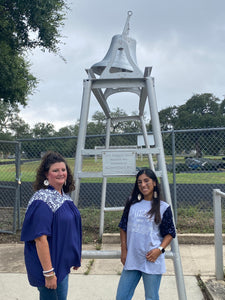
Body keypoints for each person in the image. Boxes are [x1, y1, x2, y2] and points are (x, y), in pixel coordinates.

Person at [21, 151, 82, 300]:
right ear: (46, 175)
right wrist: (48, 273)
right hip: (49, 269)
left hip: (62, 266)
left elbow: (69, 230)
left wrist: (74, 256)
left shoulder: (64, 197)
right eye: (55, 170)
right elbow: (40, 239)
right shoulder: (42, 200)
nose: (61, 173)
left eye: (63, 169)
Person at [116, 168, 176, 300]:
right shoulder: (132, 205)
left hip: (152, 259)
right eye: (139, 182)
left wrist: (159, 250)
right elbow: (123, 227)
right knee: (121, 296)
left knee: (151, 297)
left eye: (146, 181)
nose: (143, 185)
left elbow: (170, 233)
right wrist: (124, 249)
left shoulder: (163, 207)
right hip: (132, 258)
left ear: (154, 183)